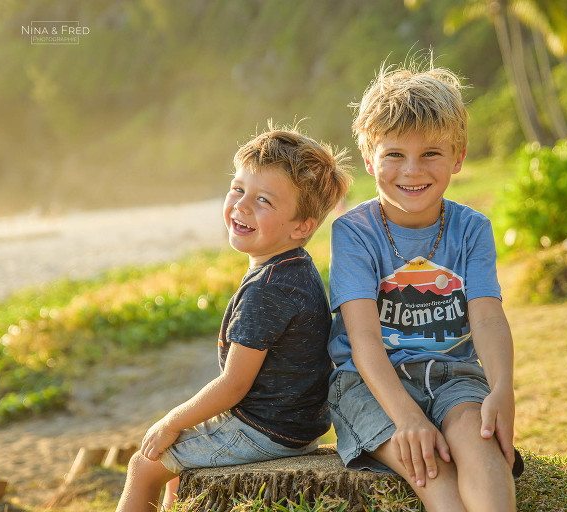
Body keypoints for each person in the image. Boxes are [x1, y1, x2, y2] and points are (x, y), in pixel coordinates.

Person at [115, 124, 352, 512]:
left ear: (302, 227)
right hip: (296, 423)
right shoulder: (294, 266)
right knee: (177, 470)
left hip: (266, 430)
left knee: (143, 465)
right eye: (238, 189)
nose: (241, 206)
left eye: (263, 201)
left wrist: (172, 421)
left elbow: (234, 384)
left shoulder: (267, 289)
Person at [327, 62, 522, 511]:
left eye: (431, 153)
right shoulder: (354, 233)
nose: (412, 171)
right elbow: (363, 339)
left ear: (458, 155)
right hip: (368, 384)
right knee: (434, 474)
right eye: (394, 154)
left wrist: (502, 389)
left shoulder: (472, 228)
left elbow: (488, 316)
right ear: (370, 157)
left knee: (481, 450)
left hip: (452, 375)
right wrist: (408, 417)